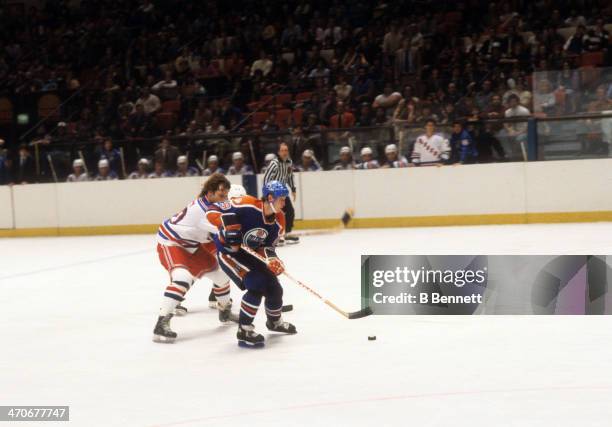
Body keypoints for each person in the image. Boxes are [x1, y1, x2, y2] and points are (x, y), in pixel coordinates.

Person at [205, 181, 296, 348]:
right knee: (256, 284)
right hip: (229, 253)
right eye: (282, 199)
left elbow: (267, 247)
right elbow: (212, 209)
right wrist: (227, 226)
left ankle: (274, 322)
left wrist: (273, 260)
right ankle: (244, 330)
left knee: (275, 288)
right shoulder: (246, 204)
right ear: (270, 197)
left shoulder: (278, 220)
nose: (284, 203)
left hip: (249, 254)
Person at [153, 173, 236, 343]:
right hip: (171, 243)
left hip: (190, 244)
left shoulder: (211, 205)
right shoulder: (201, 211)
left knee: (221, 276)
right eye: (221, 195)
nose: (224, 199)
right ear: (210, 193)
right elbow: (224, 232)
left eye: (226, 195)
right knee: (182, 279)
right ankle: (161, 323)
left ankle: (224, 311)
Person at [263, 142, 298, 243]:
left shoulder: (288, 162)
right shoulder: (274, 163)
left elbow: (290, 177)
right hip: (273, 192)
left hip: (282, 192)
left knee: (290, 211)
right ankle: (275, 235)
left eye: (286, 150)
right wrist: (269, 193)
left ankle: (287, 233)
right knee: (275, 213)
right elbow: (266, 178)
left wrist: (293, 189)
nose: (284, 152)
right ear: (278, 152)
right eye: (282, 150)